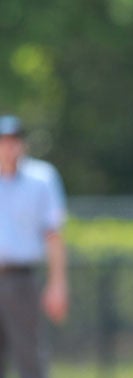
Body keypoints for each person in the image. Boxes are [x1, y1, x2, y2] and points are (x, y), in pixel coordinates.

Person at [0, 115, 69, 378]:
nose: (8, 148)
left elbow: (53, 235)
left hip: (21, 279)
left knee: (28, 356)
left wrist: (57, 284)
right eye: (3, 142)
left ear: (23, 145)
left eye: (13, 141)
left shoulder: (40, 179)